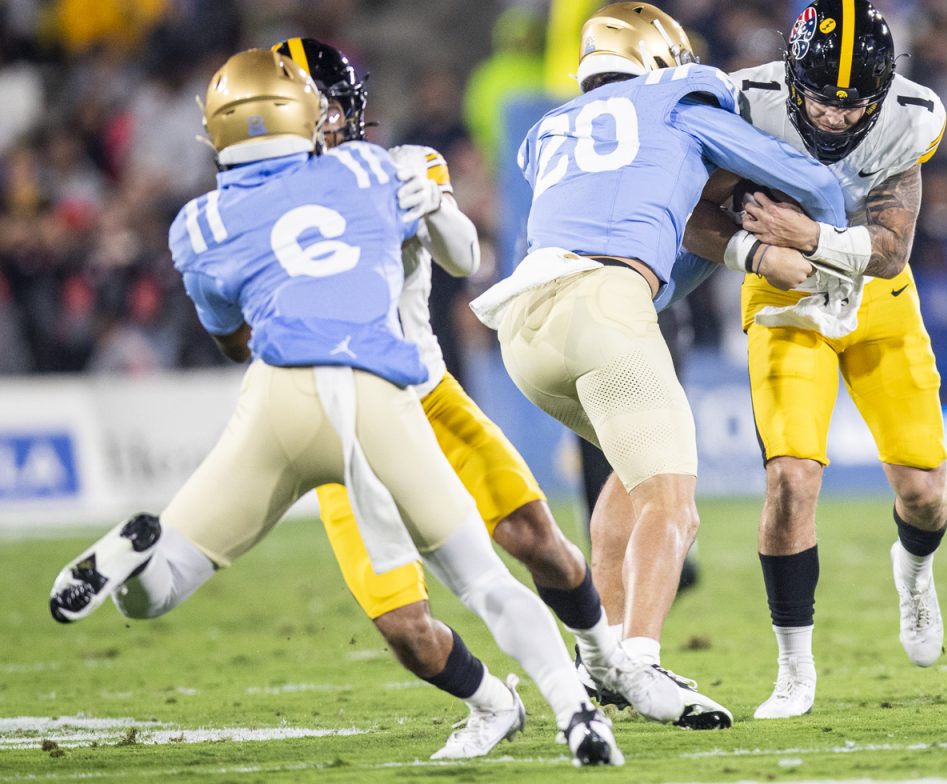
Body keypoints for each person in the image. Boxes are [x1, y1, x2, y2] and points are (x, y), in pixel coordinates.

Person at [47, 48, 623, 767]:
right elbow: (464, 253)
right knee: (474, 584)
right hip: (377, 394)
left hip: (286, 400)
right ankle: (571, 714)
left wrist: (433, 213)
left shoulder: (199, 223)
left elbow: (233, 339)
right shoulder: (374, 169)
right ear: (303, 116)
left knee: (161, 587)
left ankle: (137, 558)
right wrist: (432, 204)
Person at [269, 37, 685, 750]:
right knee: (403, 626)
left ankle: (602, 660)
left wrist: (430, 205)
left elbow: (465, 258)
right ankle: (494, 703)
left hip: (425, 396)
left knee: (535, 540)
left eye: (328, 107)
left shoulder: (405, 167)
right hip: (338, 426)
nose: (320, 122)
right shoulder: (261, 203)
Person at [470, 1, 848, 730]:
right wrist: (821, 240)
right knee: (674, 507)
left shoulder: (549, 128)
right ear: (659, 60)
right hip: (605, 308)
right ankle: (640, 660)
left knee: (631, 483)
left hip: (523, 327)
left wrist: (738, 249)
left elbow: (661, 239)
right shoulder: (681, 95)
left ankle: (602, 661)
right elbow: (807, 181)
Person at [683, 0, 947, 719]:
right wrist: (753, 248)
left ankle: (915, 571)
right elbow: (687, 214)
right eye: (821, 98)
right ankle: (793, 670)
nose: (834, 115)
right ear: (790, 78)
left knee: (926, 495)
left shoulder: (911, 116)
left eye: (853, 102)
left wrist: (805, 237)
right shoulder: (744, 100)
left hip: (875, 303)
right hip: (782, 303)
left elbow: (891, 253)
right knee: (792, 482)